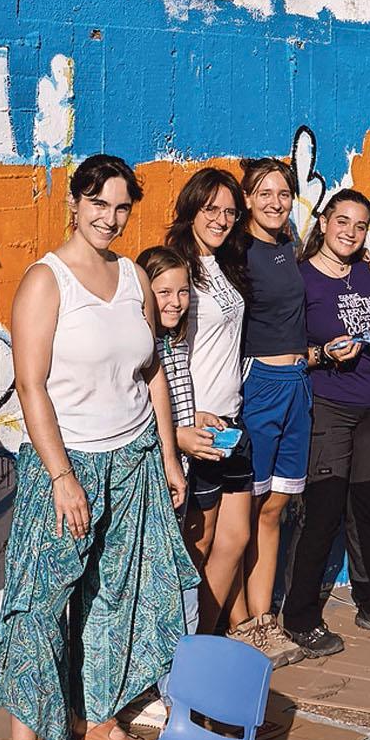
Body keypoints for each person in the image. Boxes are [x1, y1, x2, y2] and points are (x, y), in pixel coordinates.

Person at [0, 157, 193, 740]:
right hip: (67, 462)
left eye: (122, 208)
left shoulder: (134, 273)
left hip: (133, 457)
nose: (110, 218)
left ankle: (96, 714)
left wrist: (166, 454)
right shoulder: (45, 282)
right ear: (74, 203)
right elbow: (30, 386)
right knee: (40, 604)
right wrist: (60, 477)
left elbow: (151, 369)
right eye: (99, 204)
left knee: (117, 593)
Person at [279, 190, 370, 657]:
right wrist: (323, 353)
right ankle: (300, 616)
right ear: (323, 223)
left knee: (367, 510)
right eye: (341, 221)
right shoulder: (301, 281)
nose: (349, 231)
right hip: (329, 407)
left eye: (360, 225)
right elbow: (283, 354)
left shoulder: (364, 274)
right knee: (322, 512)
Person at [162, 169, 276, 657]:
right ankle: (181, 654)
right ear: (191, 210)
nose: (222, 220)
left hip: (233, 422)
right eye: (211, 210)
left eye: (230, 211)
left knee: (235, 536)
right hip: (199, 427)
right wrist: (178, 431)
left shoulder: (225, 267)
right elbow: (162, 358)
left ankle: (202, 649)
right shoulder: (176, 272)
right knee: (200, 544)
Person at [229, 157, 310, 664]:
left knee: (277, 505)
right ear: (248, 199)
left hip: (297, 383)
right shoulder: (237, 251)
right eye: (264, 194)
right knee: (246, 508)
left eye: (283, 193)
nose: (275, 203)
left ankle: (265, 620)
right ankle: (239, 622)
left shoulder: (290, 245)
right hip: (257, 383)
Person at [139, 244, 205, 643]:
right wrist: (175, 439)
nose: (176, 302)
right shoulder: (142, 345)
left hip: (178, 471)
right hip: (154, 474)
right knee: (167, 579)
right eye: (164, 292)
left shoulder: (173, 341)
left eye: (183, 292)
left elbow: (175, 402)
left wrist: (195, 419)